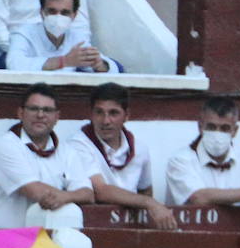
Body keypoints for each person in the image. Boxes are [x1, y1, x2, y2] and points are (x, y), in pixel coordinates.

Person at [0, 83, 92, 228]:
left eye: (47, 110)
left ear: (57, 116)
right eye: (34, 109)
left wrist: (65, 197)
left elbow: (88, 194)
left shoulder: (67, 151)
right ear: (21, 113)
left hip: (44, 244)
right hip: (2, 240)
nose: (40, 115)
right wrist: (70, 196)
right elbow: (35, 191)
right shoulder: (5, 145)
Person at [70, 83, 176, 231]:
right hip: (92, 227)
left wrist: (147, 202)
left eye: (113, 113)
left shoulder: (140, 149)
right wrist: (150, 203)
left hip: (129, 227)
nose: (106, 121)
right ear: (91, 114)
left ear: (126, 115)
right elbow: (101, 191)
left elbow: (145, 189)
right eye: (99, 112)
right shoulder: (78, 145)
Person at [166, 95, 240, 208]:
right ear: (200, 127)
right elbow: (198, 198)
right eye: (211, 127)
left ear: (235, 131)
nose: (217, 133)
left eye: (225, 128)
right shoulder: (180, 160)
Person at [4, 0, 119, 73]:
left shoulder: (77, 37)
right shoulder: (24, 33)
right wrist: (63, 61)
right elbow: (14, 64)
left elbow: (113, 69)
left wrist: (100, 65)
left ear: (74, 15)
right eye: (52, 11)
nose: (58, 17)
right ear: (41, 12)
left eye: (65, 13)